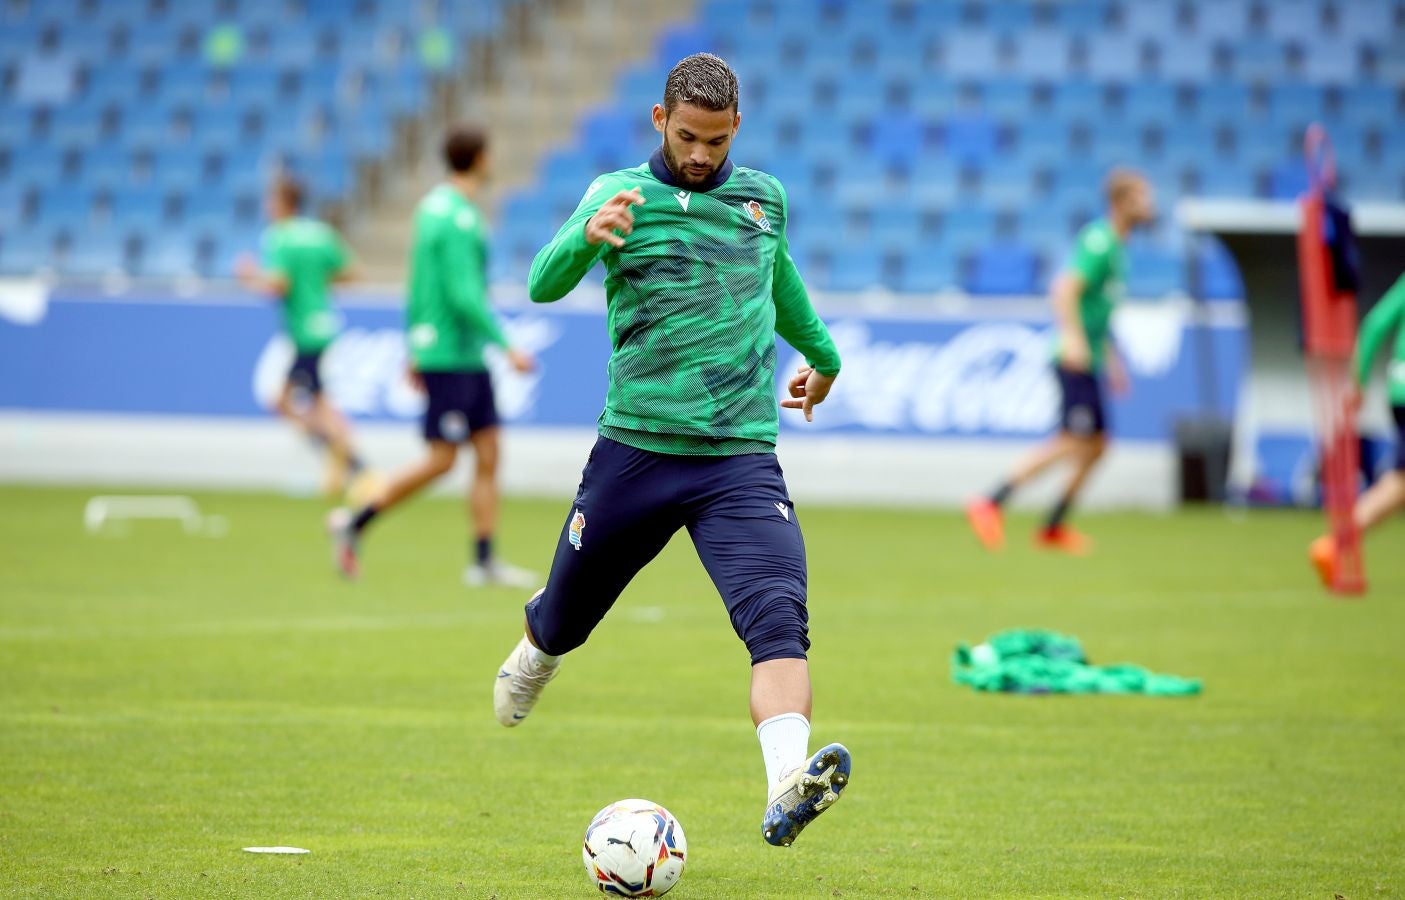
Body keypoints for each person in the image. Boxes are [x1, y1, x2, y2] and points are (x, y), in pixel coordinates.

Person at [490, 53, 851, 848]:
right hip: (636, 453)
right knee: (563, 620)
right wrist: (586, 239)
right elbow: (542, 286)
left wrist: (822, 358)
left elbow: (778, 282)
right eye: (687, 137)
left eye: (715, 141)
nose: (700, 155)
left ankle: (787, 781)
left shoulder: (763, 199)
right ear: (660, 121)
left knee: (778, 621)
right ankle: (536, 649)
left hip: (738, 460)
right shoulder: (619, 195)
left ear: (736, 131)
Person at [328, 126, 537, 587]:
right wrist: (508, 346)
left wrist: (413, 343)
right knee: (443, 459)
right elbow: (464, 295)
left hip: (452, 352)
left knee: (488, 451)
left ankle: (483, 560)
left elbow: (418, 283)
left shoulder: (431, 209)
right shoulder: (460, 217)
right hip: (453, 355)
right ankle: (355, 522)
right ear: (479, 159)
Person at [966, 169, 1156, 555]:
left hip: (1091, 356)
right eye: (1141, 197)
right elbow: (1064, 289)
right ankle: (991, 501)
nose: (1149, 205)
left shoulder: (1118, 247)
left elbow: (1098, 311)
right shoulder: (1101, 241)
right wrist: (1073, 340)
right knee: (1073, 439)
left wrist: (1112, 360)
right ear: (1120, 202)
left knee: (1098, 445)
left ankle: (1053, 525)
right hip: (1074, 356)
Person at [237, 175, 368, 499]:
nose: (268, 207)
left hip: (305, 332)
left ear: (283, 203)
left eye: (271, 201)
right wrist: (317, 282)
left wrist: (250, 278)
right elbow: (351, 273)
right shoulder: (320, 233)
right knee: (313, 401)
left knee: (291, 402)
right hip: (325, 325)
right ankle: (340, 466)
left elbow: (278, 284)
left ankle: (354, 465)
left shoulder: (280, 236)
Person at [1310, 272, 1405, 584]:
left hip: (1399, 388)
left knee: (1401, 482)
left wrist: (1358, 381)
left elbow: (1376, 323)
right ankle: (1337, 543)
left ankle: (1338, 543)